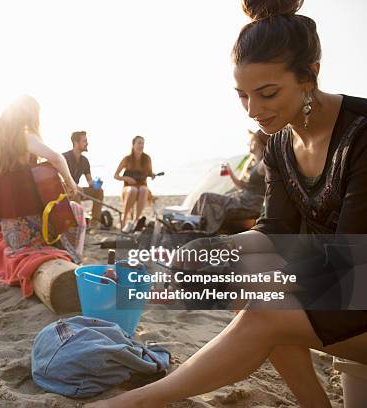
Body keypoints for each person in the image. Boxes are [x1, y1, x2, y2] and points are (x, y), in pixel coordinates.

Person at [86, 1, 367, 407]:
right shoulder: (281, 145)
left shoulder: (360, 134)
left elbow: (347, 266)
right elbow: (276, 232)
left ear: (310, 77)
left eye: (268, 93)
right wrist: (192, 256)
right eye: (243, 97)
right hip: (343, 307)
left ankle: (136, 402)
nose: (254, 111)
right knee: (247, 278)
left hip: (354, 287)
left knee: (263, 304)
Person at [0, 95, 85, 262]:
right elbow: (57, 158)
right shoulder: (24, 137)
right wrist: (71, 183)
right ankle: (75, 260)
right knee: (77, 211)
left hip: (11, 235)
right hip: (29, 235)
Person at [190, 129, 268, 233]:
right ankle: (193, 225)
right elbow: (242, 185)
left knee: (207, 197)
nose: (249, 144)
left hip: (251, 203)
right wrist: (230, 172)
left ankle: (207, 231)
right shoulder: (253, 162)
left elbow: (270, 183)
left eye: (251, 142)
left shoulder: (264, 163)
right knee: (202, 198)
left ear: (259, 143)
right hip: (244, 198)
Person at [114, 136, 156, 232]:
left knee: (143, 189)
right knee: (133, 190)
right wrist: (126, 178)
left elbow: (150, 172)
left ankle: (135, 221)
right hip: (128, 188)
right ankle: (124, 218)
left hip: (142, 187)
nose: (141, 145)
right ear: (133, 145)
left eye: (142, 143)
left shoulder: (147, 158)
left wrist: (152, 175)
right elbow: (116, 175)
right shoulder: (127, 159)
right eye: (139, 143)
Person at [62, 131, 104, 228]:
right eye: (84, 141)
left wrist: (96, 184)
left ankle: (94, 223)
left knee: (98, 191)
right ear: (76, 143)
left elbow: (89, 181)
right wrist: (74, 187)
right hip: (65, 191)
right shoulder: (64, 157)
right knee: (75, 191)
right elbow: (60, 179)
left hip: (77, 190)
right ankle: (80, 223)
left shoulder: (84, 161)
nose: (87, 143)